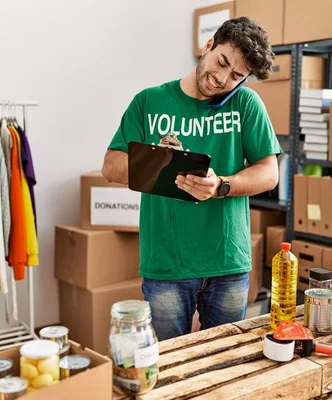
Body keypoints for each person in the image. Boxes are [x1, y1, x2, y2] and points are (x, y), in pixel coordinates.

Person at [102, 17, 281, 341]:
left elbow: (269, 173)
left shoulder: (246, 104)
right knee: (170, 365)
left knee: (223, 362)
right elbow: (111, 166)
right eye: (222, 62)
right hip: (167, 263)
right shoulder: (149, 101)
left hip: (227, 261)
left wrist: (221, 185)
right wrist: (160, 163)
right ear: (208, 45)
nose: (221, 79)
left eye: (236, 75)